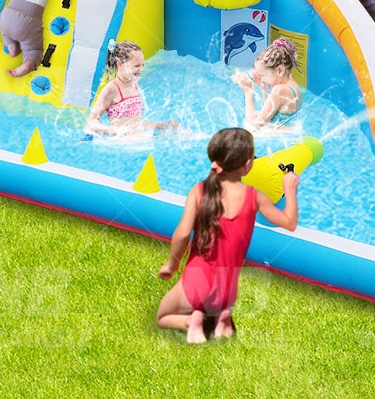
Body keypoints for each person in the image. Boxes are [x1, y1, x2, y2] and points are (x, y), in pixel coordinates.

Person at [156, 127, 299, 343]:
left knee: (163, 316)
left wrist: (171, 265)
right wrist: (289, 189)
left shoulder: (199, 190)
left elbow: (183, 234)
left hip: (196, 283)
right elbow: (289, 223)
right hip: (227, 290)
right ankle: (221, 317)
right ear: (248, 165)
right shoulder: (255, 197)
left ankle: (192, 322)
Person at [85, 40, 179, 135]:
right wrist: (114, 130)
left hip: (139, 140)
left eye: (143, 65)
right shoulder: (111, 89)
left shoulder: (134, 85)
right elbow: (91, 123)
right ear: (120, 64)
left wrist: (158, 125)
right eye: (136, 66)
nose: (141, 69)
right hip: (124, 143)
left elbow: (134, 124)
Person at [230, 38, 302, 129]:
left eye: (263, 75)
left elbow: (255, 125)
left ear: (280, 71)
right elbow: (270, 113)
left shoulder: (279, 90)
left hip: (279, 139)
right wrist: (264, 89)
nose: (262, 79)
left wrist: (248, 91)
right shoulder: (293, 86)